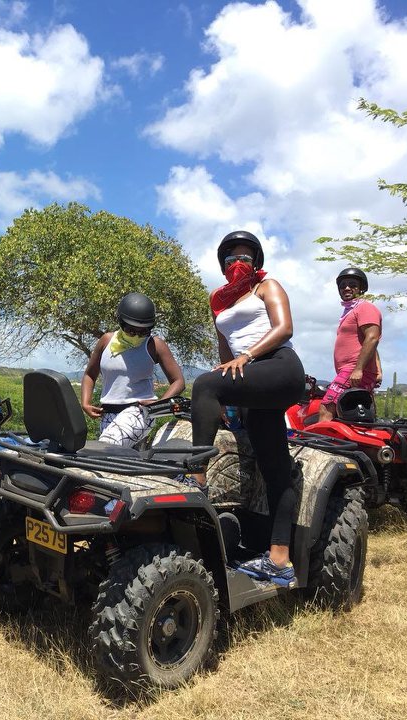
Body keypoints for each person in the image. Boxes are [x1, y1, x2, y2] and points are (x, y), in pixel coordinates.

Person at [189, 230, 305, 588]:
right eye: (230, 258)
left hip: (277, 366)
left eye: (245, 257)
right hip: (249, 377)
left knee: (204, 383)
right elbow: (224, 353)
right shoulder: (219, 301)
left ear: (256, 261)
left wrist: (247, 356)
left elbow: (285, 328)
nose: (237, 263)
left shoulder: (266, 287)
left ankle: (195, 478)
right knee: (275, 469)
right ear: (222, 263)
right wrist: (227, 397)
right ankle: (280, 560)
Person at [80, 292, 186, 447]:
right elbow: (90, 374)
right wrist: (85, 402)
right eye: (131, 330)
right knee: (115, 464)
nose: (137, 335)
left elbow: (178, 381)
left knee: (106, 448)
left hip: (139, 412)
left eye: (144, 331)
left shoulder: (154, 345)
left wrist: (158, 405)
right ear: (121, 323)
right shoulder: (106, 341)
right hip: (108, 414)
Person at [317, 267, 382, 423]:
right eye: (342, 285)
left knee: (327, 408)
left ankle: (319, 447)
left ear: (362, 288)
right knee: (351, 413)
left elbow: (372, 338)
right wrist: (378, 370)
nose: (346, 288)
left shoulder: (365, 307)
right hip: (353, 371)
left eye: (352, 284)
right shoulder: (350, 310)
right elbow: (370, 341)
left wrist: (358, 369)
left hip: (353, 370)